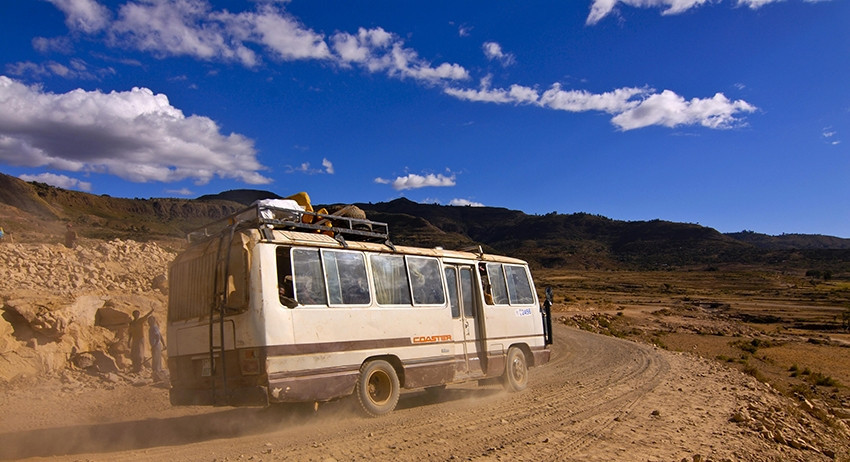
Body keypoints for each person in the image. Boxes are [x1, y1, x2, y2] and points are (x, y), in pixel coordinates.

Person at [128, 308, 154, 373]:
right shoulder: (131, 323)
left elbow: (146, 316)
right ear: (133, 315)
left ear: (139, 315)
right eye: (135, 314)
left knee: (139, 353)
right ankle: (135, 367)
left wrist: (151, 310)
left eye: (137, 314)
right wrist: (129, 341)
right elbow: (130, 333)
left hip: (140, 339)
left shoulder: (140, 320)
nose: (136, 315)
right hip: (134, 339)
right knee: (134, 353)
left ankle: (139, 368)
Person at [148, 316, 166, 382]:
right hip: (157, 345)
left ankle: (157, 375)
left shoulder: (153, 327)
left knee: (156, 360)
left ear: (153, 321)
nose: (148, 322)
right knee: (157, 359)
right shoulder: (155, 327)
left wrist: (155, 345)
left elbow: (158, 336)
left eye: (149, 320)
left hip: (156, 345)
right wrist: (163, 344)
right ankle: (157, 375)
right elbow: (160, 336)